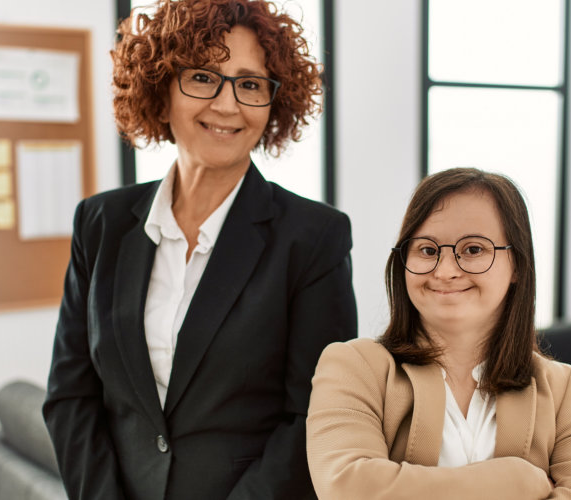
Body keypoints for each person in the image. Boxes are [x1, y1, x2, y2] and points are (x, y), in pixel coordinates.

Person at [42, 1, 353, 499]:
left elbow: (313, 419)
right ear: (160, 93)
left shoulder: (314, 238)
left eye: (250, 84)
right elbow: (71, 397)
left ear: (274, 105)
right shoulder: (99, 224)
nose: (228, 105)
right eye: (204, 77)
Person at [305, 168, 571, 499]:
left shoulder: (562, 389)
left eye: (473, 250)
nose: (446, 271)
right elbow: (349, 489)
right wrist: (516, 482)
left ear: (517, 267)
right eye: (427, 250)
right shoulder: (353, 367)